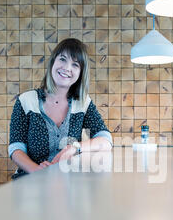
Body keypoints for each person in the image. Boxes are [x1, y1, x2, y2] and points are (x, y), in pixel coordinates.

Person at [8, 38, 113, 179]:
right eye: (62, 59)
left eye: (75, 64)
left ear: (81, 73)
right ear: (53, 62)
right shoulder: (26, 101)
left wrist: (74, 147)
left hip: (68, 184)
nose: (67, 68)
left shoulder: (82, 103)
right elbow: (16, 148)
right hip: (29, 181)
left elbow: (105, 140)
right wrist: (37, 171)